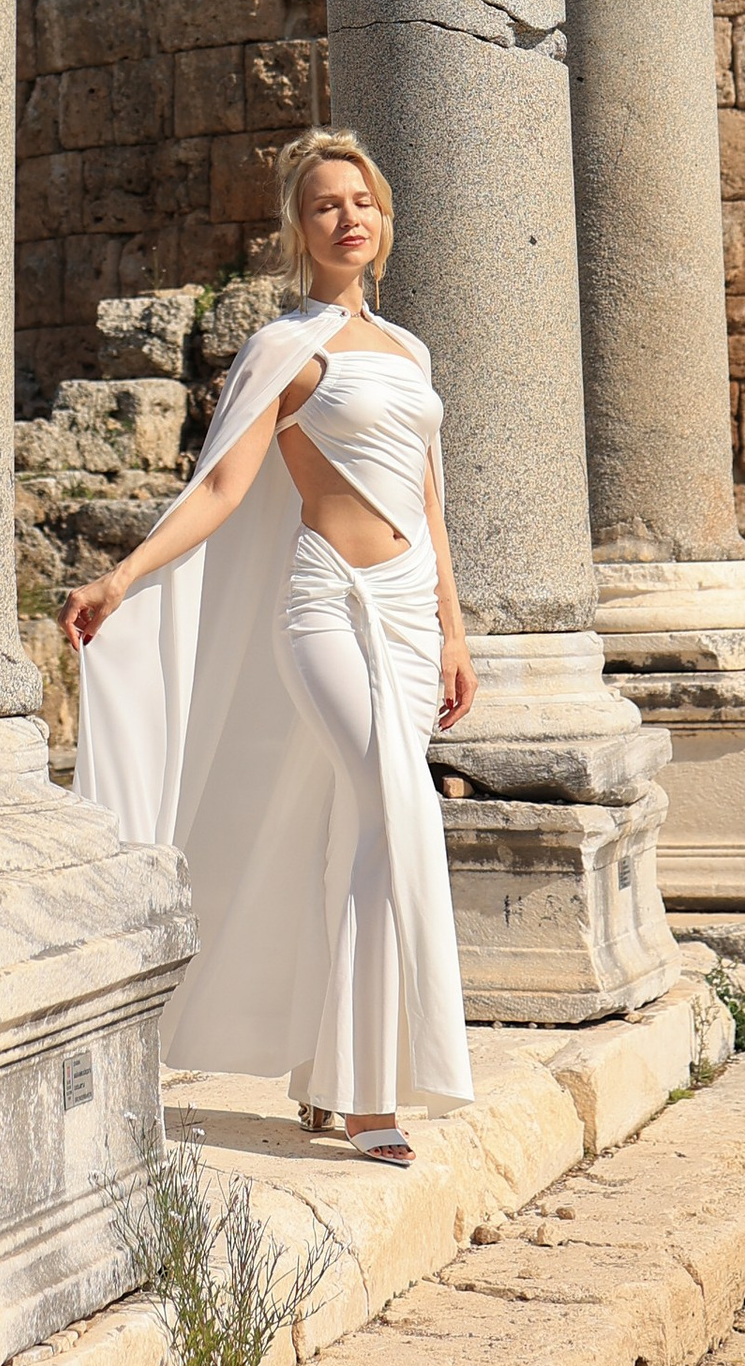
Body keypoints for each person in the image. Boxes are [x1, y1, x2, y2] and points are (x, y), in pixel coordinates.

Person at [65, 128, 476, 1165]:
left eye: (362, 203)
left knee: (354, 825)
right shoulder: (287, 347)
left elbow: (428, 502)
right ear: (299, 230)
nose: (348, 217)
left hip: (410, 611)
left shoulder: (411, 351)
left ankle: (328, 1079)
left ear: (383, 224)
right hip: (325, 602)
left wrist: (456, 627)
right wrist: (123, 575)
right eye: (327, 204)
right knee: (394, 801)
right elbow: (220, 488)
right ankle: (369, 1095)